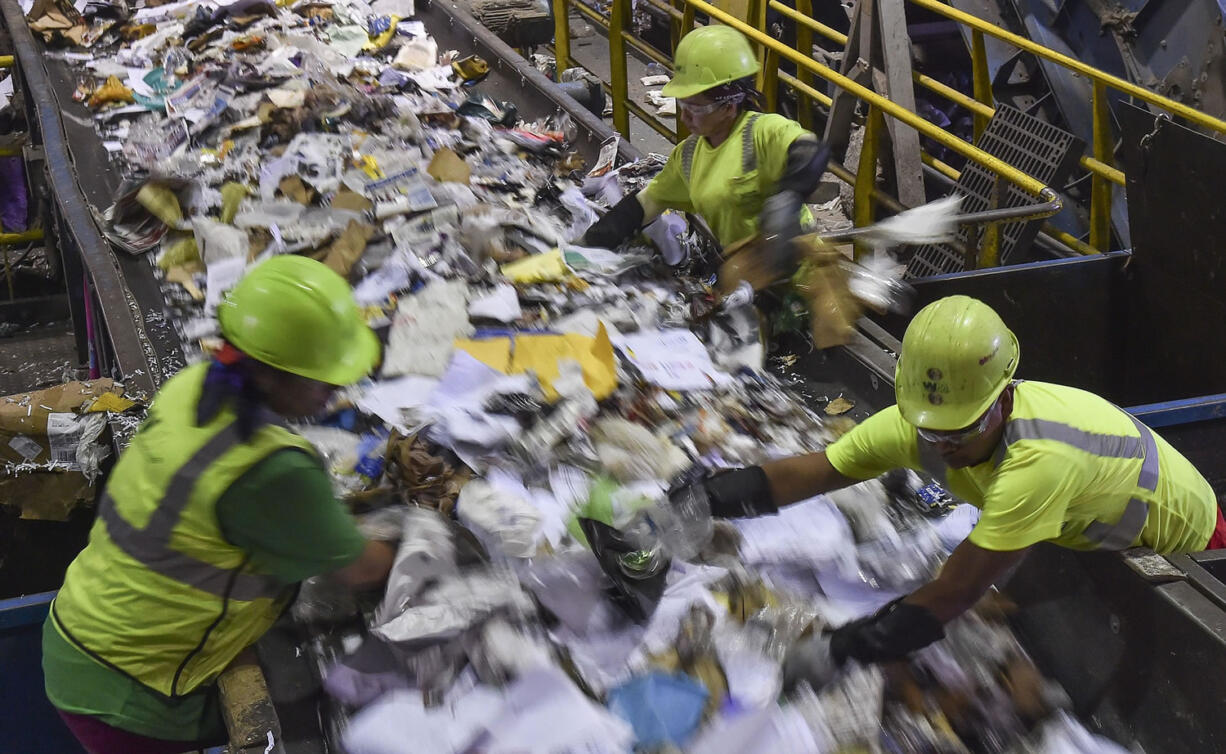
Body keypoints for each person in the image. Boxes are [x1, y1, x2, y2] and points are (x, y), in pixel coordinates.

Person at [670, 295, 1222, 685]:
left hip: (1189, 541)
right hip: (1090, 520)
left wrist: (842, 649)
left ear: (1003, 399)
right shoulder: (922, 426)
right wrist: (701, 500)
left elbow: (956, 591)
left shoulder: (1040, 463)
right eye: (931, 429)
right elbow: (818, 470)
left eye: (962, 428)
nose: (944, 444)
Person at [43, 255, 397, 754]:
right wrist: (416, 533)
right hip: (129, 693)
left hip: (81, 632)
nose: (337, 389)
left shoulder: (192, 387)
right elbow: (362, 570)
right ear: (272, 376)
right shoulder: (273, 471)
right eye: (322, 378)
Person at [581, 24, 830, 276]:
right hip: (752, 277)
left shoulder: (760, 132)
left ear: (729, 106)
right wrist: (584, 246)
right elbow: (643, 206)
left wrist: (787, 199)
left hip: (803, 274)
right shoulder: (688, 156)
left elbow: (809, 150)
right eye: (682, 104)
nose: (685, 116)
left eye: (696, 108)